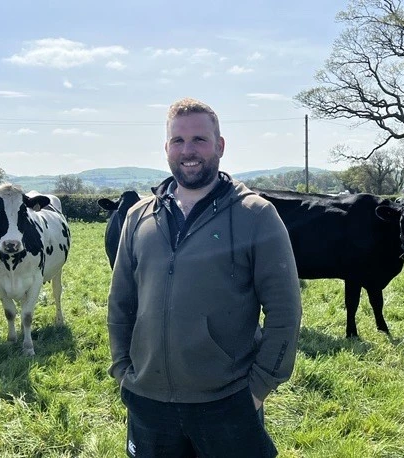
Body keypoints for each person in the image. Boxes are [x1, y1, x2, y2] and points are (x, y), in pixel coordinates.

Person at [108, 98, 302, 457]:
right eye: (178, 141)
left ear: (220, 146)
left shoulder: (255, 215)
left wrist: (258, 388)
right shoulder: (138, 217)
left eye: (199, 139)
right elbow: (121, 302)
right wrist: (122, 369)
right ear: (167, 147)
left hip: (228, 401)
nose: (188, 151)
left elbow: (285, 312)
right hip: (148, 400)